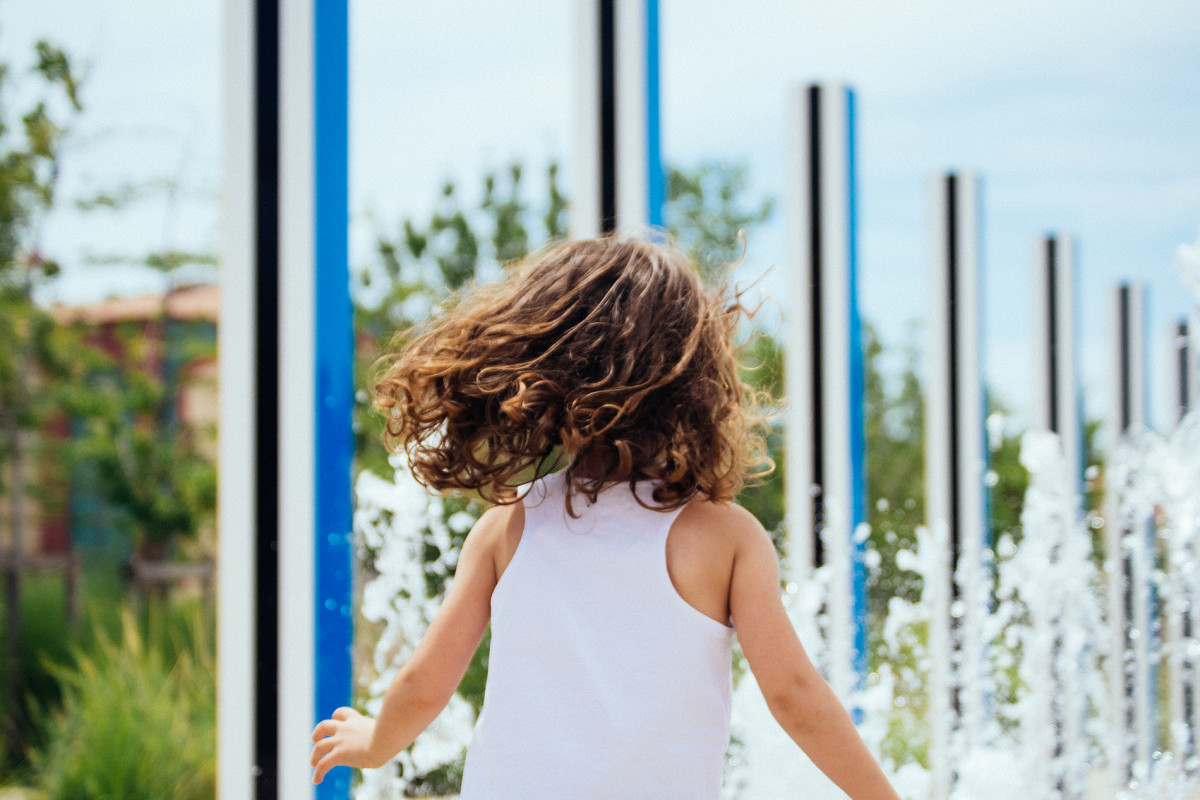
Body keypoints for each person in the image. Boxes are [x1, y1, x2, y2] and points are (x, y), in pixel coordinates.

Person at [310, 237, 901, 799]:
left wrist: (376, 742)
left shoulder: (509, 525)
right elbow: (794, 695)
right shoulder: (724, 538)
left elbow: (424, 686)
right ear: (695, 385)